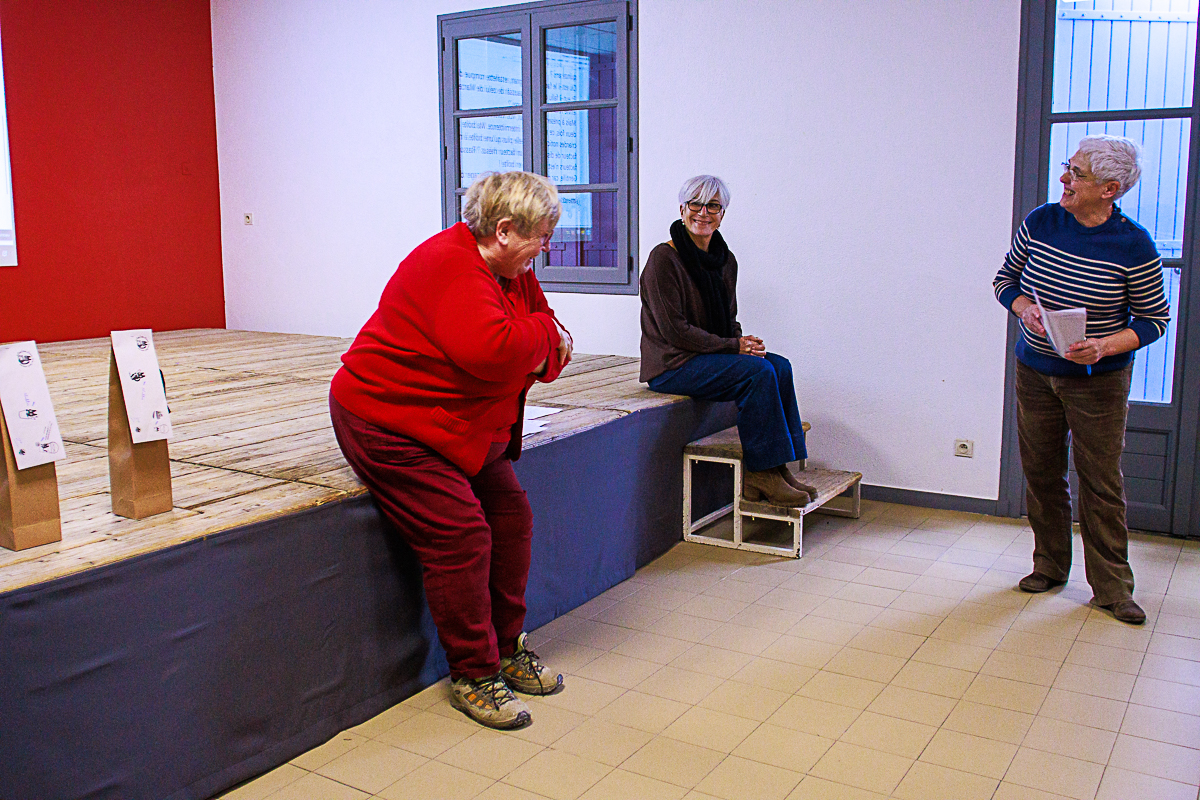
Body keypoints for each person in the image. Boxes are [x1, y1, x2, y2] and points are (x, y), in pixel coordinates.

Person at [329, 171, 573, 729]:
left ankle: (506, 647)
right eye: (541, 235)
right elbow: (495, 351)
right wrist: (540, 338)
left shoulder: (513, 273)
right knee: (461, 534)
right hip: (388, 421)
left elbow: (545, 351)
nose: (545, 247)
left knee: (511, 519)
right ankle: (474, 673)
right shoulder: (450, 264)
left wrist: (536, 340)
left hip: (458, 424)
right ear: (505, 230)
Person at [994, 135, 1170, 625]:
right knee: (1041, 473)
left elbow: (1154, 320)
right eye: (1067, 167)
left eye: (1077, 173)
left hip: (1098, 382)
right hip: (1036, 371)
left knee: (1100, 483)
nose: (1064, 179)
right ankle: (1050, 567)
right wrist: (1024, 308)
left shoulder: (1133, 245)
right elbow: (1005, 280)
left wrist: (1104, 346)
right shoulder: (1042, 221)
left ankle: (1112, 589)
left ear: (1109, 189)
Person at [640, 174, 815, 506]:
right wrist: (734, 347)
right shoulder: (663, 259)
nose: (703, 213)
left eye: (713, 206)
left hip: (707, 357)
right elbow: (674, 331)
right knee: (758, 373)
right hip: (672, 365)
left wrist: (742, 342)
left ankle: (778, 468)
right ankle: (759, 473)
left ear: (723, 214)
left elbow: (728, 319)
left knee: (779, 366)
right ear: (682, 209)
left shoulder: (725, 260)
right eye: (695, 204)